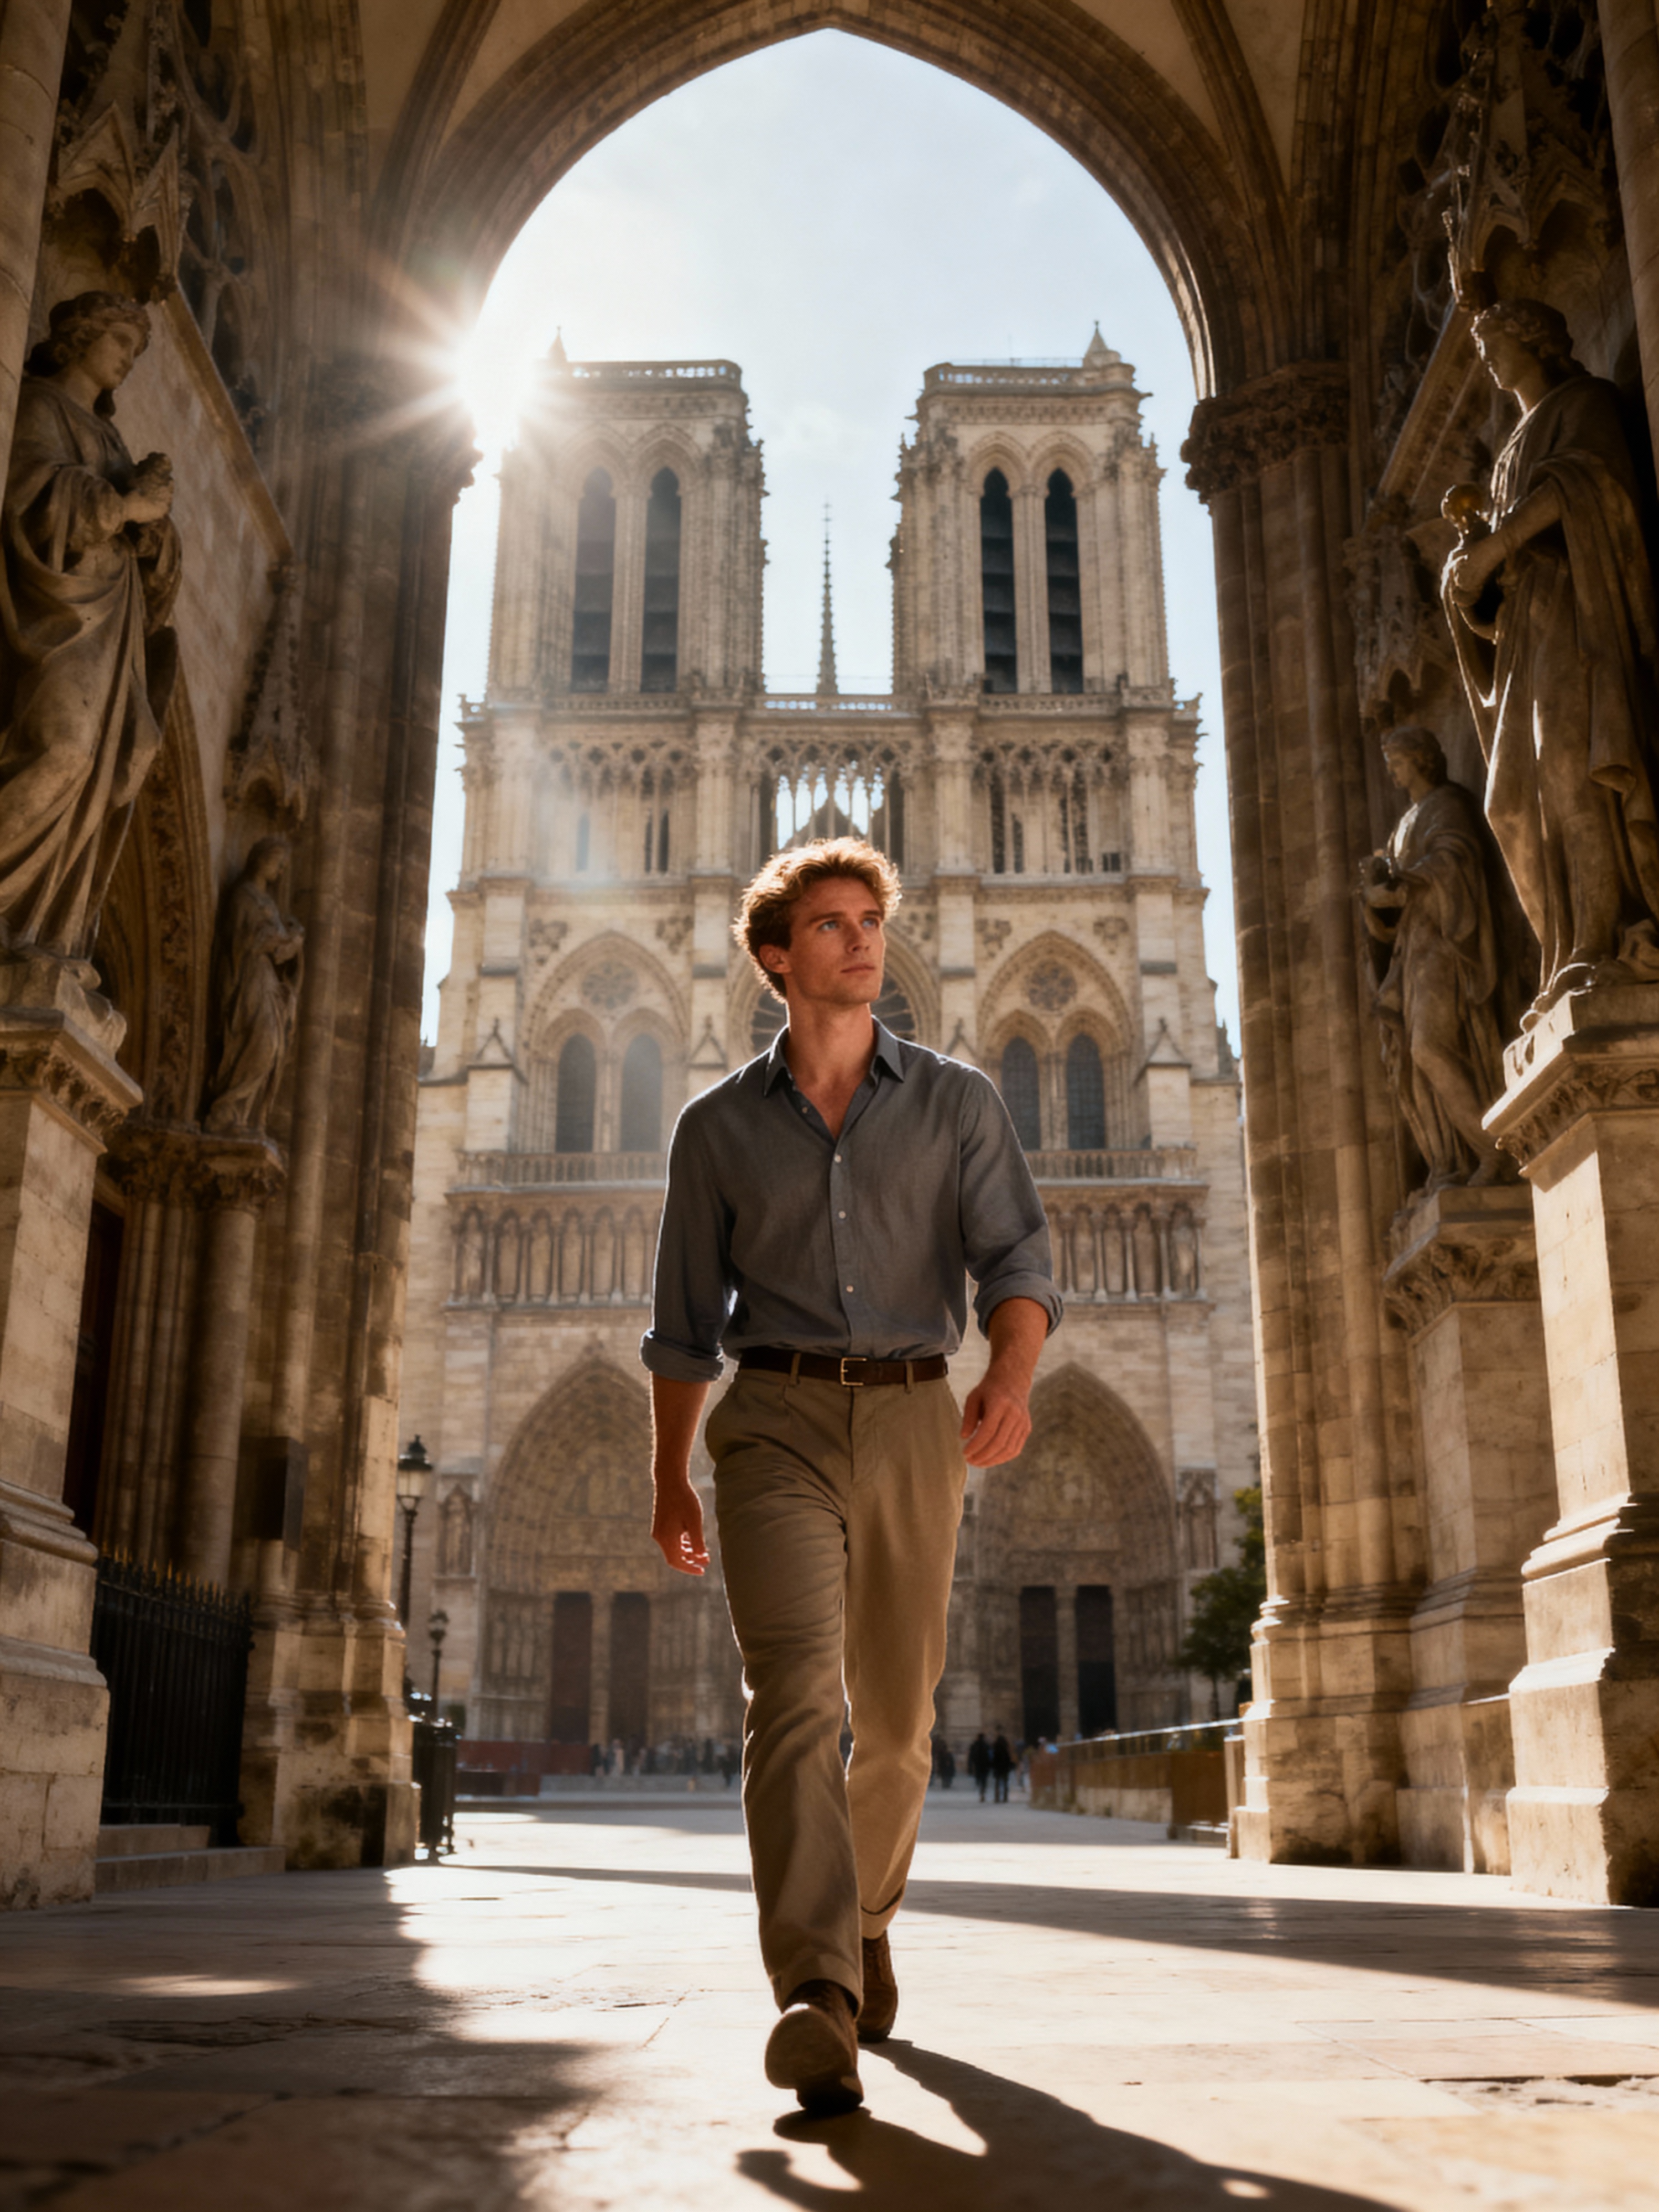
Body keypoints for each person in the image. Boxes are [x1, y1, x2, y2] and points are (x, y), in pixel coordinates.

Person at [642, 836, 1058, 2116]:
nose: (864, 936)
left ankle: (867, 1915)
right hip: (769, 1418)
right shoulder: (715, 1127)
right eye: (832, 921)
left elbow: (1017, 1257)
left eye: (871, 917)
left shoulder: (955, 1100)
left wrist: (1009, 1374)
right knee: (791, 1700)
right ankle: (816, 1989)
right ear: (776, 956)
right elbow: (680, 1326)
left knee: (898, 1721)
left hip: (913, 1413)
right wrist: (669, 1474)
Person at [1442, 298, 1659, 1019]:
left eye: (1495, 344)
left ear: (1535, 342)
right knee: (1509, 802)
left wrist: (1499, 546)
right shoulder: (1509, 452)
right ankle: (1566, 950)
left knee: (1571, 771)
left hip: (1577, 614)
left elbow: (1592, 481)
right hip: (1527, 632)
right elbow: (1501, 572)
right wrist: (1470, 580)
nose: (1488, 360)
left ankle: (1600, 940)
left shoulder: (1583, 403)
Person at [0, 291, 180, 966]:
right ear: (81, 338)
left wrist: (157, 531)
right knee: (66, 751)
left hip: (114, 622)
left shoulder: (111, 440)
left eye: (137, 349)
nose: (129, 359)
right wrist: (126, 506)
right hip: (62, 612)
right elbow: (28, 492)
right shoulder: (40, 405)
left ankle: (45, 933)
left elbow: (142, 532)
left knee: (125, 760)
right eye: (122, 343)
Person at [1359, 727, 1514, 1188]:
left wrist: (1404, 883)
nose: (1392, 772)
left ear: (1422, 760)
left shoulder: (1447, 804)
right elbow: (1398, 893)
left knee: (1429, 1047)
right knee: (1413, 1057)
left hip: (1445, 941)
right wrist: (1377, 895)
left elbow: (1458, 857)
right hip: (1414, 946)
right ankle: (1452, 1160)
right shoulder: (1406, 822)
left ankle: (1495, 1151)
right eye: (1388, 764)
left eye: (1398, 762)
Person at [968, 1731, 992, 1803]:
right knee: (984, 1780)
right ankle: (983, 1791)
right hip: (985, 1766)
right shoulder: (987, 1746)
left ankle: (981, 1792)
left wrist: (970, 1767)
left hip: (978, 1766)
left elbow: (971, 1757)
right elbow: (990, 1756)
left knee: (979, 1779)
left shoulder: (975, 1746)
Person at [991, 1733, 1014, 1804]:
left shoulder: (996, 1749)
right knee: (1005, 1783)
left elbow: (994, 1759)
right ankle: (1005, 1797)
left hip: (998, 1768)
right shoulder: (1006, 1749)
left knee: (997, 1783)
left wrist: (994, 1767)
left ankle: (997, 1797)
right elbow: (1009, 1759)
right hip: (1005, 1768)